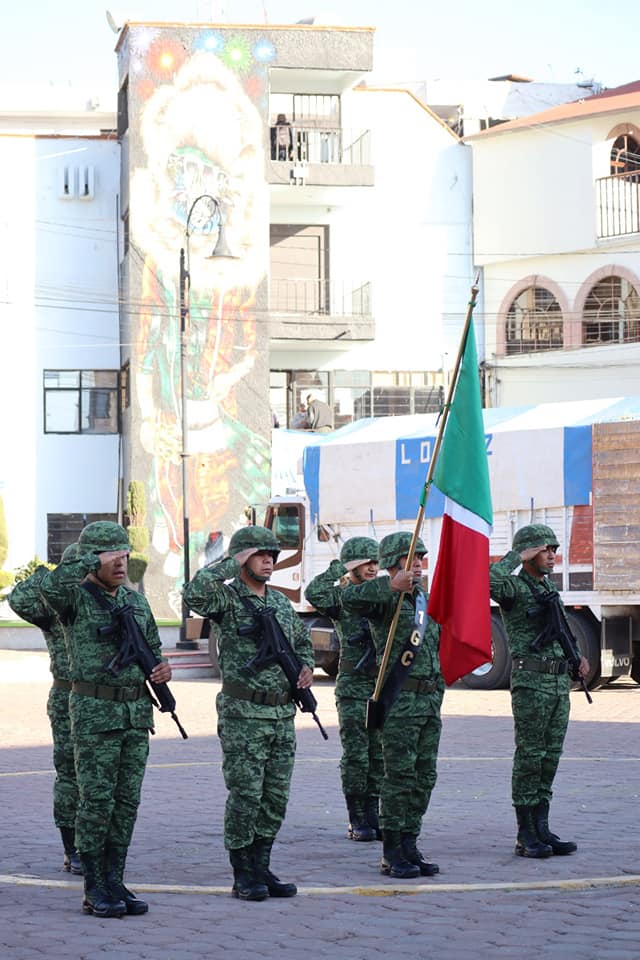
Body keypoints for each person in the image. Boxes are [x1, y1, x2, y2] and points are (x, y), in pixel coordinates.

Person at [41, 521, 171, 918]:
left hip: (135, 714)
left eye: (125, 554)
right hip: (95, 715)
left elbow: (153, 650)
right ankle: (94, 885)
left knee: (125, 803)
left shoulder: (136, 602)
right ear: (92, 558)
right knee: (96, 802)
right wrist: (82, 558)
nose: (121, 562)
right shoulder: (74, 599)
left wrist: (163, 669)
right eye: (112, 555)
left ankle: (115, 879)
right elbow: (36, 594)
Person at [182, 525, 314, 902]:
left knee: (275, 797)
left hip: (281, 715)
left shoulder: (279, 603)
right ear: (242, 560)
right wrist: (226, 563)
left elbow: (301, 643)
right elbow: (194, 594)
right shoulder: (227, 599)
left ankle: (262, 864)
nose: (269, 560)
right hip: (244, 713)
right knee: (246, 795)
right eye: (259, 554)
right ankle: (243, 872)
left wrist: (305, 667)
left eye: (272, 554)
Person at [342, 532, 443, 879]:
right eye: (411, 557)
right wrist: (390, 586)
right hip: (401, 701)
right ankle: (392, 851)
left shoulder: (422, 599)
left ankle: (411, 844)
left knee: (423, 777)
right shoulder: (388, 597)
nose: (418, 563)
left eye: (420, 557)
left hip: (428, 702)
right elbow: (350, 600)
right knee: (399, 777)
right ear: (394, 562)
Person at [489, 524, 589, 859]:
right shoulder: (515, 588)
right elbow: (488, 581)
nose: (552, 556)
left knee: (549, 758)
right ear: (530, 553)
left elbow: (560, 631)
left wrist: (577, 658)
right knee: (530, 756)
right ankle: (525, 833)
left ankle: (542, 827)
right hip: (532, 684)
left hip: (558, 684)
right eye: (545, 550)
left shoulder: (549, 589)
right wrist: (517, 555)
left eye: (553, 550)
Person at [8, 543, 83, 876]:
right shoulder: (53, 608)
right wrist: (56, 574)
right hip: (67, 700)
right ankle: (73, 848)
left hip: (106, 703)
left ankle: (98, 844)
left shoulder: (109, 601)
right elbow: (17, 598)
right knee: (70, 775)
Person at [304, 537, 383, 842]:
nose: (373, 568)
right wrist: (340, 567)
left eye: (376, 562)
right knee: (357, 755)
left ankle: (375, 815)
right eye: (366, 563)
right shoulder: (341, 597)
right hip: (353, 687)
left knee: (379, 755)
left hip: (380, 685)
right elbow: (314, 592)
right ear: (352, 566)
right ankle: (357, 818)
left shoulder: (382, 594)